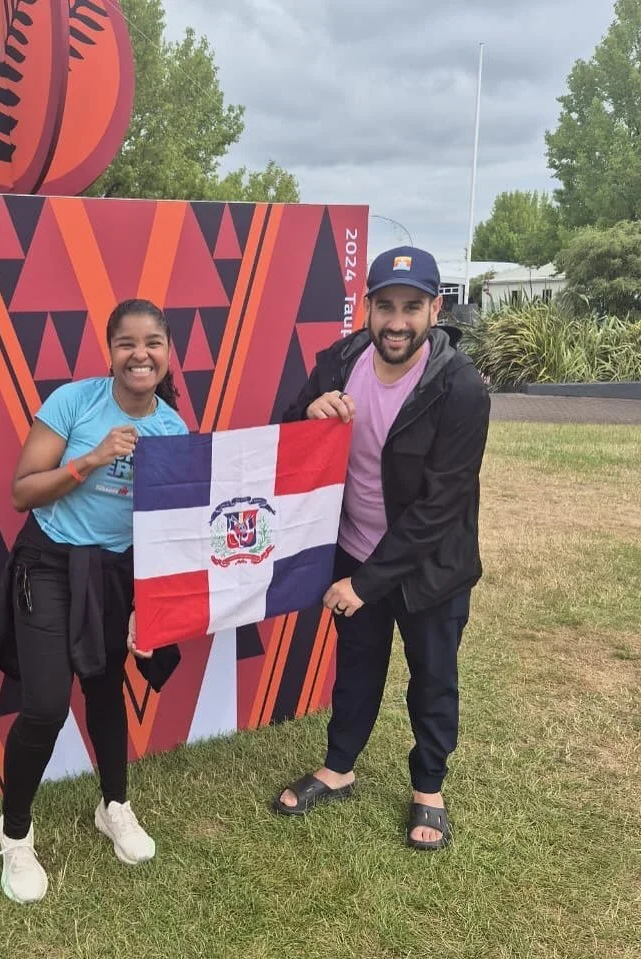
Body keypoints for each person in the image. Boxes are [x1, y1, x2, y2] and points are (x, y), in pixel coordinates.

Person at [272, 247, 490, 852]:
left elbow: (441, 506)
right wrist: (308, 412)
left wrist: (366, 583)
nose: (397, 322)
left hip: (431, 568)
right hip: (353, 548)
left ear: (435, 310)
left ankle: (429, 789)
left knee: (433, 677)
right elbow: (286, 434)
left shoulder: (460, 387)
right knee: (357, 665)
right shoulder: (340, 362)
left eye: (412, 307)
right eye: (385, 306)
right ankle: (338, 769)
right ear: (367, 307)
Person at [0, 299, 187, 904]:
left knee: (104, 688)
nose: (140, 354)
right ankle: (15, 835)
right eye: (127, 343)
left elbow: (168, 529)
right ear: (110, 351)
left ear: (167, 351)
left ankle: (113, 806)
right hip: (50, 562)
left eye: (152, 343)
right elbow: (22, 492)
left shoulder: (173, 430)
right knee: (46, 706)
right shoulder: (74, 402)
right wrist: (91, 459)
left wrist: (150, 604)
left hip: (116, 572)